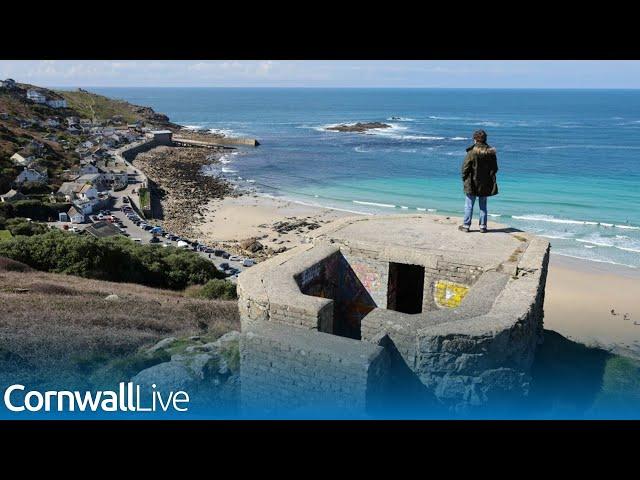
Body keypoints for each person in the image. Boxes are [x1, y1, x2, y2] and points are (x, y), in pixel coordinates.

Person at [458, 129, 499, 233]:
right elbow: (495, 168)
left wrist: (464, 179)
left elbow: (465, 168)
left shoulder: (472, 152)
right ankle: (483, 226)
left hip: (471, 182)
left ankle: (466, 226)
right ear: (485, 139)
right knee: (483, 206)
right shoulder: (491, 152)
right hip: (485, 183)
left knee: (469, 205)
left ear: (475, 139)